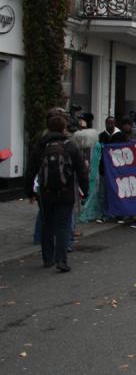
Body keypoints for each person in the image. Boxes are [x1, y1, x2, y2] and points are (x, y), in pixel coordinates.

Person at [26, 115, 88, 272]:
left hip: (45, 192)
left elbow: (30, 170)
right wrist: (84, 190)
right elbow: (81, 171)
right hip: (65, 192)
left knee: (47, 225)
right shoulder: (70, 146)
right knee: (63, 225)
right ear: (64, 128)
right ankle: (61, 260)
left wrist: (30, 192)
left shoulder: (40, 146)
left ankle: (47, 258)